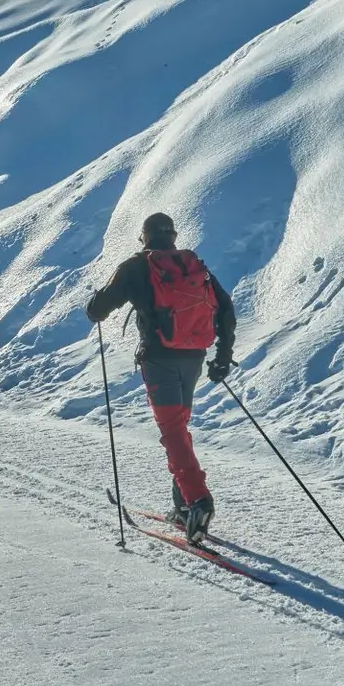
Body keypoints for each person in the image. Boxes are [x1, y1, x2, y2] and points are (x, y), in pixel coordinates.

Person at [86, 212, 236, 544]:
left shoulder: (138, 266)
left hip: (159, 360)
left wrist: (95, 301)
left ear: (145, 237)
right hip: (193, 357)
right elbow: (225, 308)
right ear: (172, 236)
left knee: (172, 431)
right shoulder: (194, 266)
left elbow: (98, 309)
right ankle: (183, 506)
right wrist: (222, 358)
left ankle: (198, 500)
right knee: (178, 430)